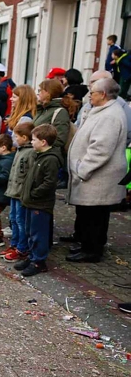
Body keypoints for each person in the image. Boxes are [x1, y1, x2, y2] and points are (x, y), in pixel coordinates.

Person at [64, 78, 129, 263]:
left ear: (103, 94)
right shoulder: (103, 111)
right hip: (93, 176)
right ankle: (87, 246)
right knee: (90, 215)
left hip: (97, 177)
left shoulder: (110, 116)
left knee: (95, 216)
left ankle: (91, 250)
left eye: (92, 92)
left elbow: (101, 149)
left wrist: (82, 169)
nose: (89, 95)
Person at [15, 124, 63, 277]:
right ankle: (32, 256)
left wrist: (34, 193)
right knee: (30, 231)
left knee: (38, 233)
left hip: (40, 203)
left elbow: (49, 182)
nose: (32, 142)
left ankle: (39, 261)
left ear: (43, 142)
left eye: (34, 140)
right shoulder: (38, 156)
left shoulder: (50, 160)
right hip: (31, 201)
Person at [2, 122, 36, 263]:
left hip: (21, 193)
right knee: (14, 219)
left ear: (24, 137)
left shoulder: (30, 153)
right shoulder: (19, 150)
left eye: (16, 136)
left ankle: (22, 248)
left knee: (21, 221)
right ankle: (15, 244)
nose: (14, 139)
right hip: (14, 191)